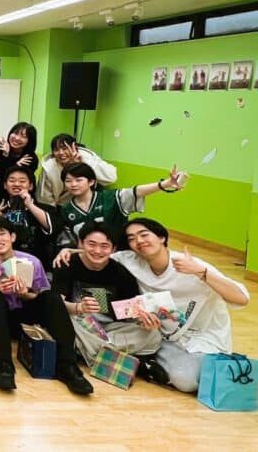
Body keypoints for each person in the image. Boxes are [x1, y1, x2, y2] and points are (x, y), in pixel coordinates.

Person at [111, 219, 249, 393]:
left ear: (162, 237)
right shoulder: (130, 260)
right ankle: (148, 361)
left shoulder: (190, 265)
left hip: (202, 339)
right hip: (162, 337)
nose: (138, 241)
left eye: (144, 235)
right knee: (185, 380)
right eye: (131, 238)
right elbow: (95, 254)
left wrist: (201, 272)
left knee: (192, 379)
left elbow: (242, 299)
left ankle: (148, 362)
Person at [0, 217, 93, 395]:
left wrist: (23, 293)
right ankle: (4, 367)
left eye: (2, 234)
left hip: (26, 315)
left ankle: (67, 366)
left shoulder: (32, 261)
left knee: (52, 297)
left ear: (13, 237)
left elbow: (39, 295)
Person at [50, 223, 164, 381]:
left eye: (104, 246)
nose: (97, 251)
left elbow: (129, 313)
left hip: (109, 330)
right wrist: (78, 307)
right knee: (62, 325)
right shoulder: (67, 263)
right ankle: (130, 363)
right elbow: (56, 304)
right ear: (81, 243)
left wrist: (145, 319)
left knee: (153, 335)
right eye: (91, 244)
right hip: (79, 324)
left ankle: (92, 355)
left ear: (113, 249)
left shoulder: (121, 273)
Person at [59, 162, 185, 236]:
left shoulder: (111, 198)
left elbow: (136, 191)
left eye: (78, 180)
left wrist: (166, 183)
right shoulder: (66, 210)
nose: (73, 184)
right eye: (68, 181)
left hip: (119, 255)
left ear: (91, 181)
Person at [0, 166, 56, 263]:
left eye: (22, 181)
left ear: (31, 185)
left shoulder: (44, 209)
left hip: (34, 260)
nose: (17, 184)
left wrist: (30, 205)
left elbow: (51, 227)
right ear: (5, 185)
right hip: (0, 261)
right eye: (12, 181)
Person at [37, 134, 117, 206]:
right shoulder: (49, 168)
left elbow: (111, 178)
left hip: (86, 204)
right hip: (60, 206)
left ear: (74, 148)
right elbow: (45, 199)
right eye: (56, 150)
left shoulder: (86, 157)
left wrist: (83, 163)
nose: (61, 153)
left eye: (65, 148)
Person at [0, 122, 39, 203]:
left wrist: (9, 160)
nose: (17, 138)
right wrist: (6, 155)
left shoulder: (30, 157)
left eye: (23, 136)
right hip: (0, 193)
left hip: (22, 196)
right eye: (15, 133)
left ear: (29, 141)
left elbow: (17, 177)